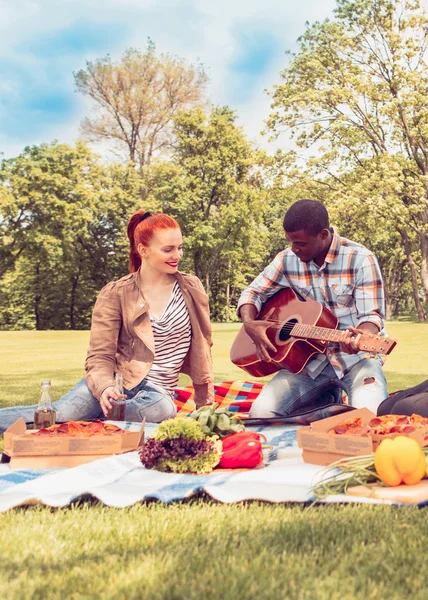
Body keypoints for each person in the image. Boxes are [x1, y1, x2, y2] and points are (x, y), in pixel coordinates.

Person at [0, 210, 213, 433]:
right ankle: (97, 420)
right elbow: (100, 355)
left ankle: (94, 423)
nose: (177, 255)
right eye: (168, 249)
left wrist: (205, 406)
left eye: (179, 248)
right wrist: (105, 388)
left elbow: (203, 348)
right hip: (115, 382)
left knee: (163, 410)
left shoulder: (191, 288)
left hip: (157, 392)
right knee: (61, 413)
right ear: (143, 250)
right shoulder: (116, 293)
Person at [237, 199, 388, 418]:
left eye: (300, 243)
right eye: (290, 241)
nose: (294, 249)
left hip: (357, 361)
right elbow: (252, 293)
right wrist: (249, 323)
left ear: (324, 235)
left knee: (367, 419)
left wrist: (358, 338)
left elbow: (371, 318)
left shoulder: (361, 259)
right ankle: (326, 403)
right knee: (260, 414)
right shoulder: (287, 259)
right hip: (308, 365)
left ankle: (324, 406)